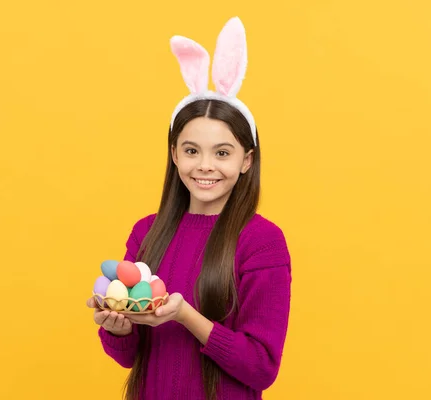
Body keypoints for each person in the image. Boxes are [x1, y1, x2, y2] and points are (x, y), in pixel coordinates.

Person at [86, 16, 292, 400]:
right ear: (174, 155)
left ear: (247, 160)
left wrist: (185, 316)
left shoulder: (262, 241)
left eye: (223, 153)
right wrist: (118, 327)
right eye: (192, 150)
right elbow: (129, 357)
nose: (205, 166)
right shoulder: (147, 232)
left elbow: (262, 368)